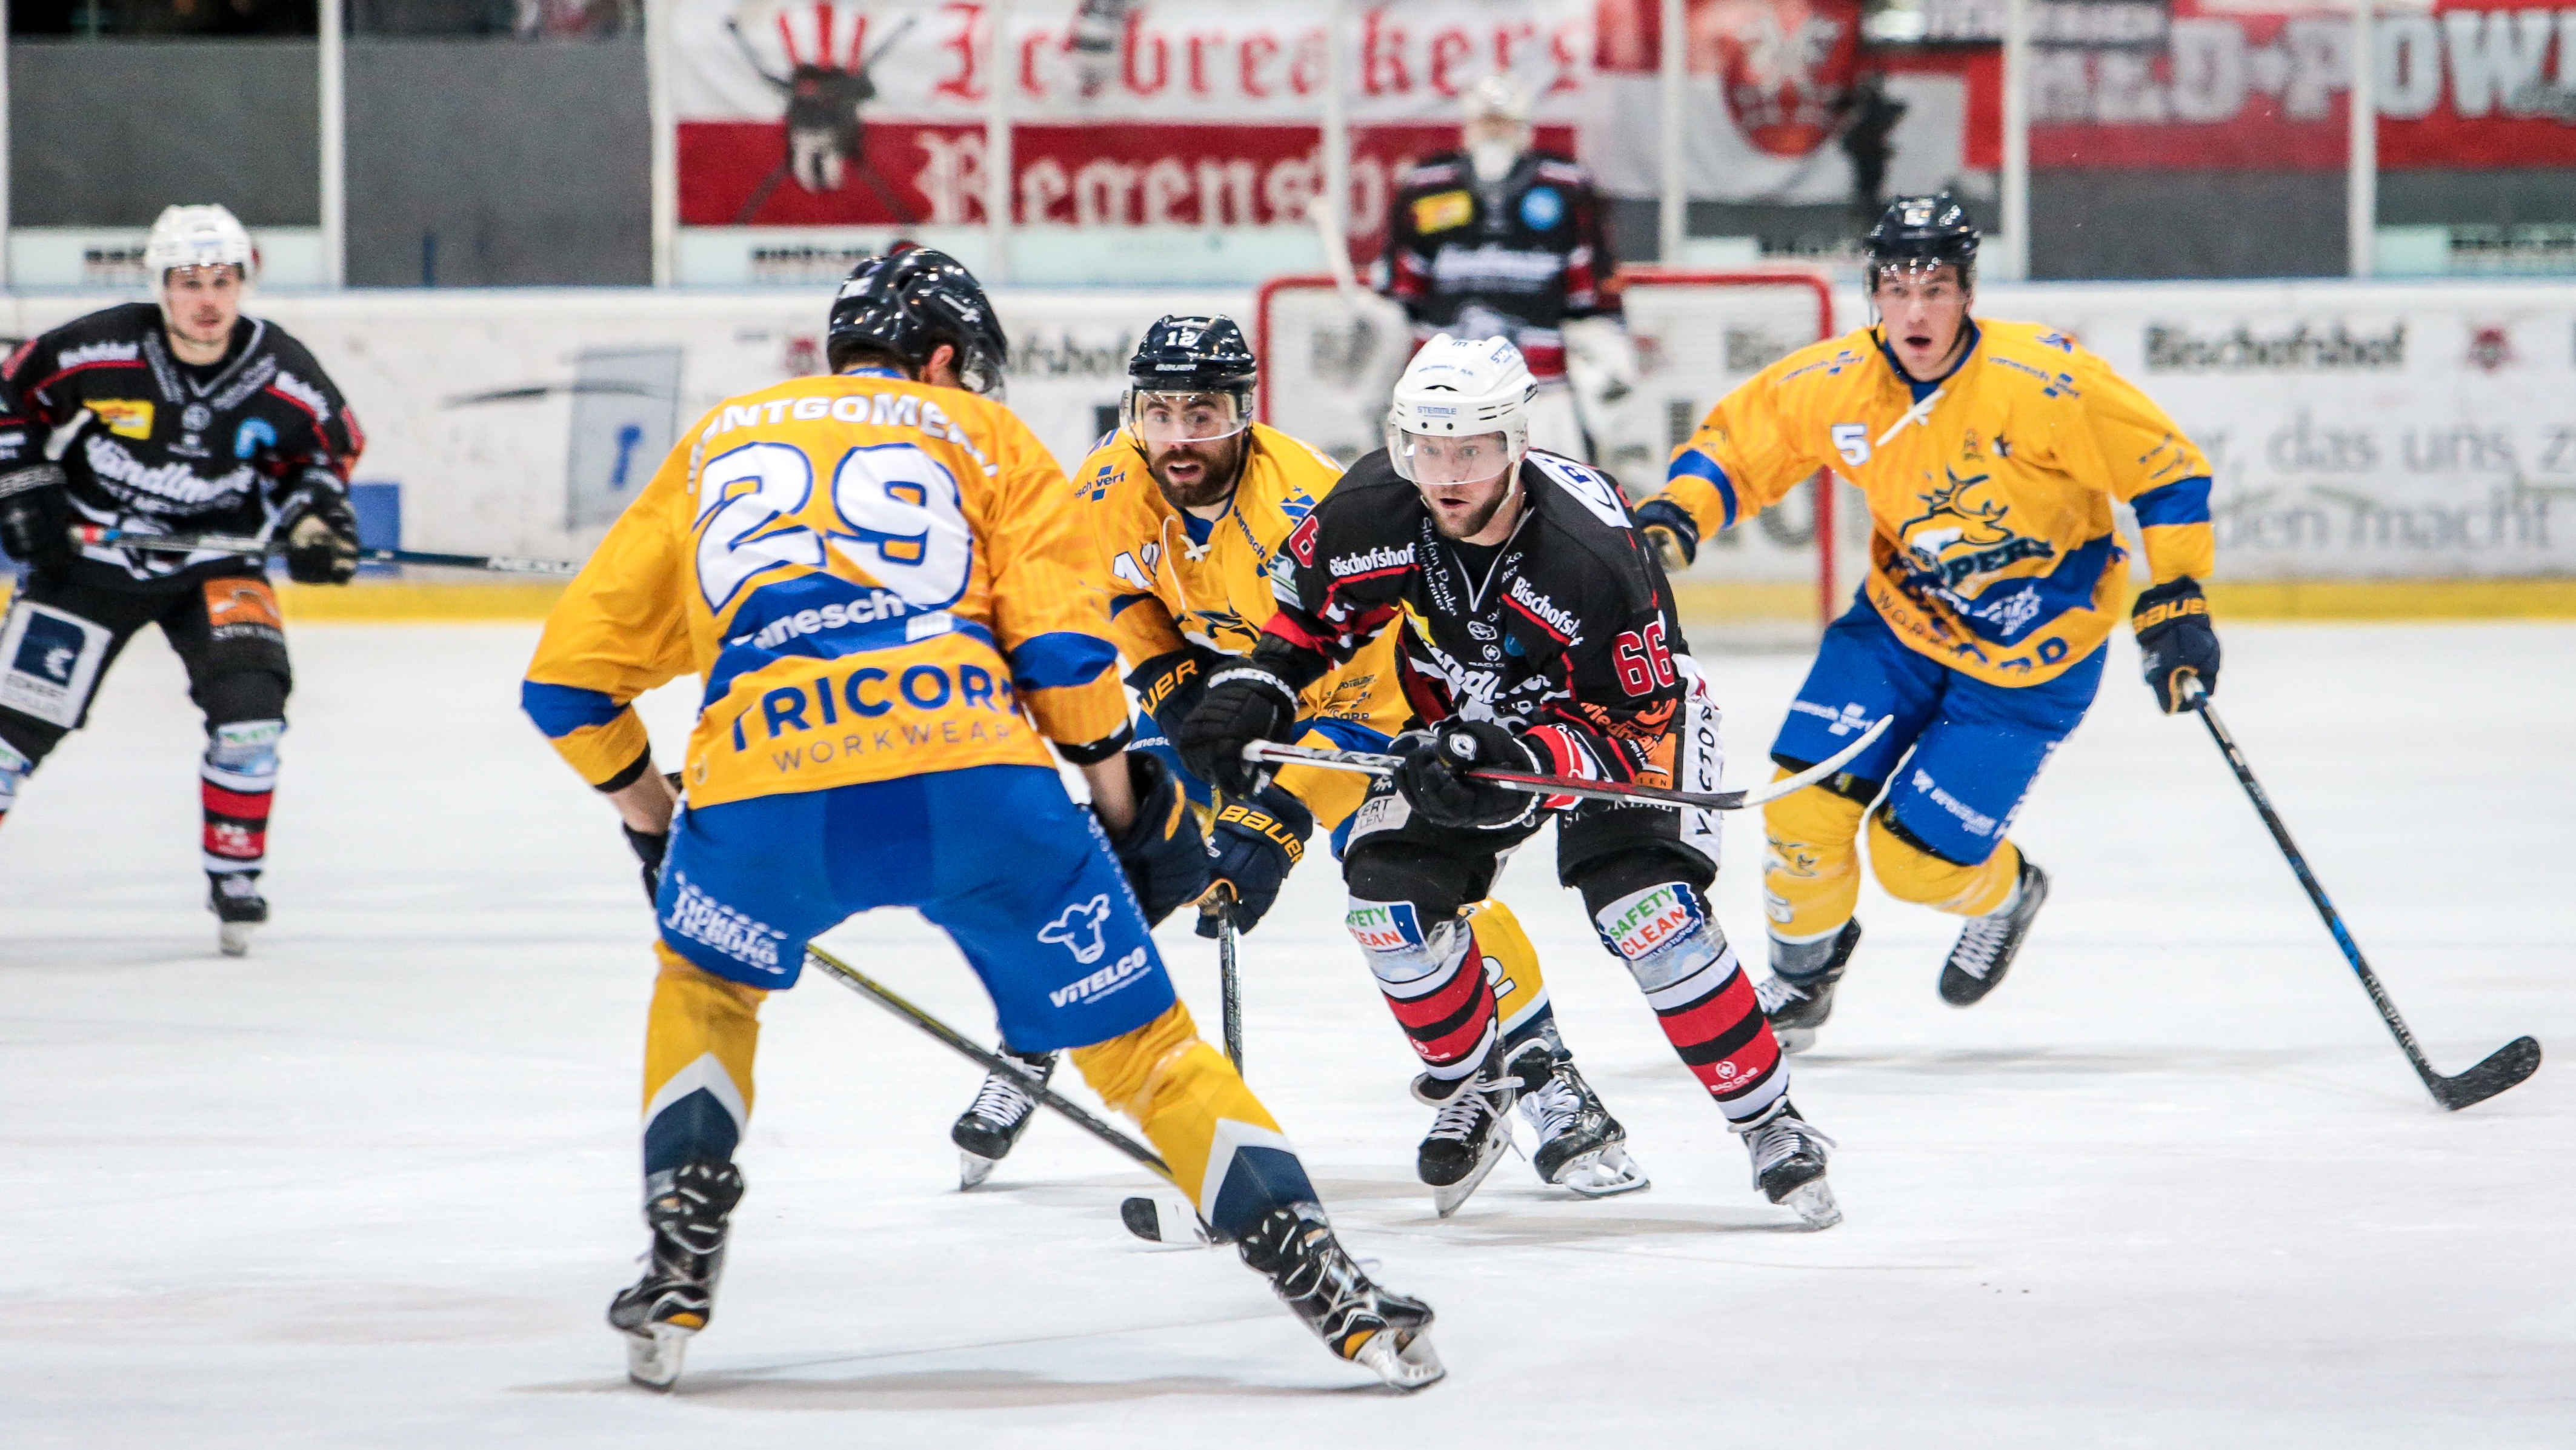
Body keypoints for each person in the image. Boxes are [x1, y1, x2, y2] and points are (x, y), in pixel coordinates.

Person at [520, 249, 1443, 1392]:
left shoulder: (723, 438)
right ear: (948, 360)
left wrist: (657, 828)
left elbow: (566, 685)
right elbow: (1066, 667)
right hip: (973, 782)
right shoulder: (990, 440)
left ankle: (677, 1259)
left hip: (762, 791)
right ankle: (1337, 1293)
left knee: (707, 988)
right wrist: (1128, 811)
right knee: (1150, 1053)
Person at [948, 314, 1646, 1202]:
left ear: (1243, 409)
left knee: (1412, 887)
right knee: (1119, 849)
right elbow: (1116, 586)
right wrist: (1169, 682)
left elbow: (1372, 671)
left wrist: (1282, 811)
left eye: (1200, 412)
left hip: (1374, 703)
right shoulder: (1108, 482)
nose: (1176, 436)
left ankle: (1538, 1072)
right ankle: (1035, 1034)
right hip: (1238, 694)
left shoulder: (1308, 505)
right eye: (1156, 412)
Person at [1176, 333, 1842, 1228]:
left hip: (1617, 721)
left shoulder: (1589, 555)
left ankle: (1768, 1120)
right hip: (1460, 716)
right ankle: (1479, 1081)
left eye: (1473, 450)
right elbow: (1310, 622)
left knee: (1645, 913)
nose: (1446, 474)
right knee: (1385, 904)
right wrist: (1255, 690)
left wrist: (1518, 765)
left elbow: (1629, 725)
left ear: (1517, 445)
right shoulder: (1372, 507)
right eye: (1426, 448)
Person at [1632, 195, 2221, 1050]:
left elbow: (2164, 472)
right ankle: (1800, 982)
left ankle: (2007, 893)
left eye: (1935, 287)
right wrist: (1676, 514)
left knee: (1916, 865)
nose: (1914, 310)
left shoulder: (2045, 382)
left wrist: (2178, 594)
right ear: (1872, 291)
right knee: (1800, 812)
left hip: (2031, 659)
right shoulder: (1840, 383)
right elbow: (1742, 441)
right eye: (1896, 287)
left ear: (1967, 292)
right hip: (1896, 629)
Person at [0, 203, 364, 956]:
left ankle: (236, 873)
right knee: (9, 731)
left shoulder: (285, 373)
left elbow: (323, 457)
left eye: (223, 280)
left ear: (243, 283)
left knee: (252, 708)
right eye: (189, 280)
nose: (207, 298)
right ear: (161, 285)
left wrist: (315, 525)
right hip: (89, 559)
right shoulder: (98, 348)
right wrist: (25, 486)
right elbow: (8, 397)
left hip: (218, 561)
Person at [1375, 75, 1636, 463]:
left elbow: (1591, 300)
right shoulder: (1427, 185)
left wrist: (1602, 373)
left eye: (1504, 123)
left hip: (1540, 391)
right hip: (1441, 395)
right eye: (1486, 122)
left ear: (1525, 128)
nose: (1494, 132)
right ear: (1467, 127)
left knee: (1549, 504)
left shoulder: (1567, 186)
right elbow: (1399, 297)